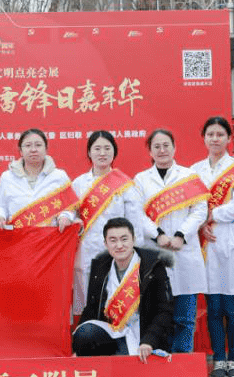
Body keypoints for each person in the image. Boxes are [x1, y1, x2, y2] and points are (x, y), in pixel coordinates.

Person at [134, 129, 209, 353]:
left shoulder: (188, 176)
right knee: (158, 317)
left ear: (175, 147)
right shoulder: (140, 179)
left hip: (184, 252)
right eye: (156, 146)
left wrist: (180, 235)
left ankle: (183, 364)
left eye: (166, 145)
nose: (162, 150)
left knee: (185, 318)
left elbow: (199, 210)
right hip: (155, 252)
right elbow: (137, 213)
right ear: (150, 151)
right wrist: (158, 235)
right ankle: (161, 367)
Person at [191, 117, 234, 377]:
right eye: (210, 134)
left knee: (232, 306)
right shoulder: (194, 171)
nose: (215, 139)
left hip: (231, 243)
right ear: (203, 138)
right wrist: (201, 222)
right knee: (214, 306)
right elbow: (191, 205)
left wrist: (209, 215)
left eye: (220, 134)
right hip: (206, 244)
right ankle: (218, 359)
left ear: (229, 139)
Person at [72, 217, 175, 362]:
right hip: (113, 332)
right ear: (106, 244)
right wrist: (79, 347)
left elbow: (164, 310)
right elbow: (92, 308)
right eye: (113, 240)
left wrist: (149, 340)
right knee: (84, 333)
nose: (119, 245)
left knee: (125, 367)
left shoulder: (153, 266)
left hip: (144, 333)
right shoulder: (100, 266)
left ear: (133, 240)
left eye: (124, 239)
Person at [72, 131, 145, 316]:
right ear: (89, 152)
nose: (102, 153)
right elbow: (70, 215)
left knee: (115, 301)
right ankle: (87, 339)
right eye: (97, 148)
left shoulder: (125, 185)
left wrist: (136, 255)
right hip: (86, 252)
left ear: (114, 152)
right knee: (88, 303)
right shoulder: (79, 184)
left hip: (117, 252)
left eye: (107, 148)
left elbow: (135, 223)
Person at [0, 129, 78, 230]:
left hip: (50, 239)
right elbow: (1, 206)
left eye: (38, 145)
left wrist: (65, 217)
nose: (33, 149)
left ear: (46, 149)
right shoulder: (7, 177)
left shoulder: (59, 176)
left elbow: (70, 206)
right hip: (17, 239)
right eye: (28, 146)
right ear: (21, 151)